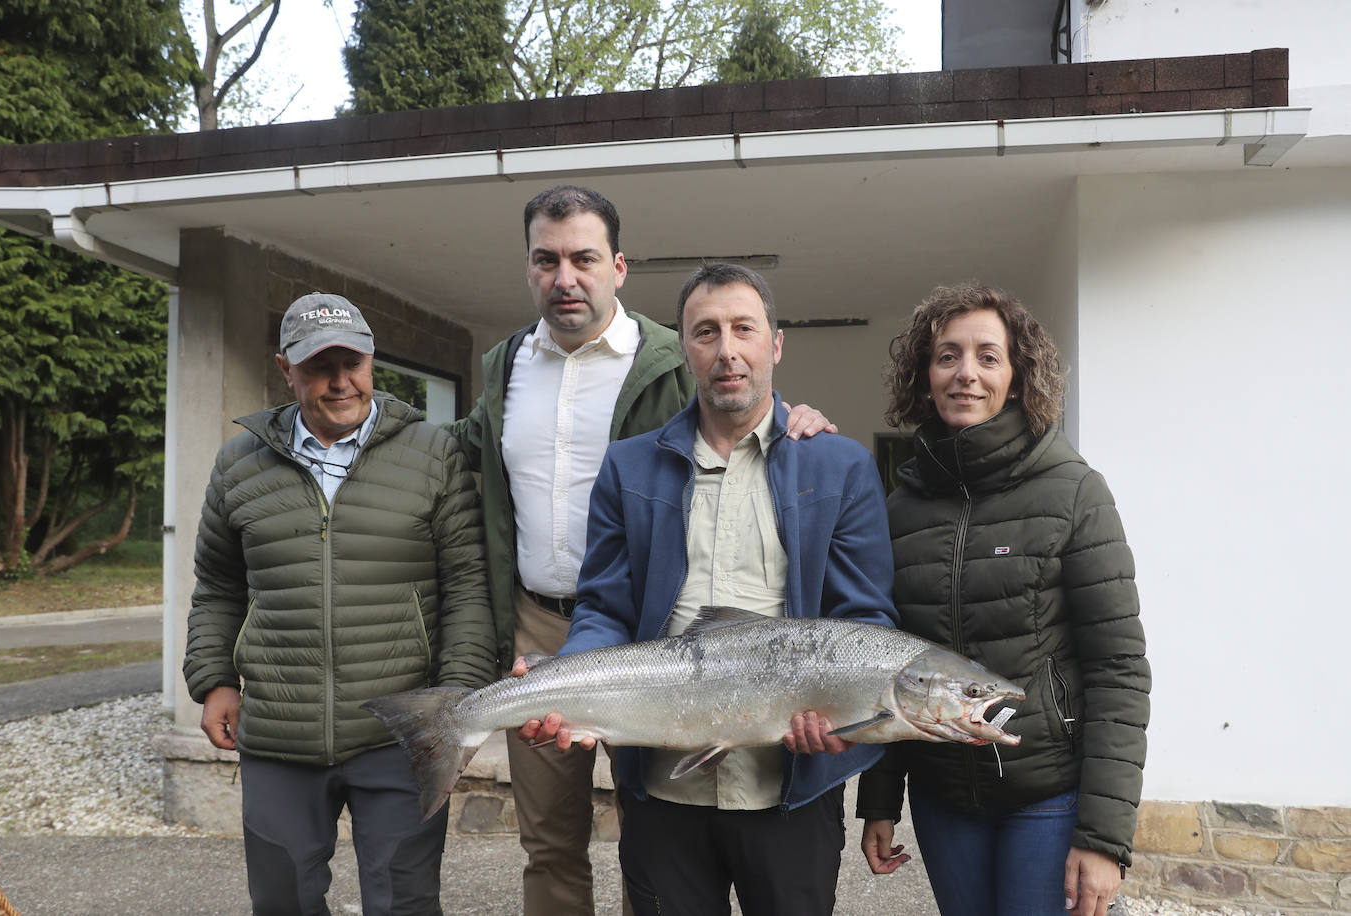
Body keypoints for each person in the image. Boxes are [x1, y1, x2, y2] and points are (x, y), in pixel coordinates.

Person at [443, 186, 833, 915]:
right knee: (550, 840)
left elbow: (734, 392)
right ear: (528, 269)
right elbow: (456, 451)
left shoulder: (666, 355)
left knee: (653, 830)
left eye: (584, 258)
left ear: (618, 266)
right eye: (546, 260)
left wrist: (795, 414)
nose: (566, 278)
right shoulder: (504, 368)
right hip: (537, 622)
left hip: (654, 637)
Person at [518, 263, 899, 915]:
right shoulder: (628, 466)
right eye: (706, 332)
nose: (727, 350)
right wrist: (570, 681)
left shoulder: (840, 466)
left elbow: (864, 620)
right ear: (683, 349)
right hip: (663, 791)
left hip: (790, 789)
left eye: (744, 329)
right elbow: (604, 606)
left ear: (774, 345)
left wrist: (843, 712)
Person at [183, 292, 496, 915]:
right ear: (285, 369)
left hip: (400, 731)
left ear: (372, 360)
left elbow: (466, 587)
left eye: (351, 362)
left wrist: (454, 705)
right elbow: (218, 585)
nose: (339, 381)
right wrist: (214, 679)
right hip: (279, 732)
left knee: (403, 902)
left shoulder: (433, 454)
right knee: (283, 902)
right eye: (318, 365)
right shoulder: (238, 464)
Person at [856, 283, 1151, 916]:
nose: (967, 373)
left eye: (988, 356)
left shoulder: (1074, 491)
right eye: (947, 356)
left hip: (1047, 794)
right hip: (942, 796)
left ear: (1017, 378)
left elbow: (1118, 668)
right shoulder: (900, 508)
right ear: (925, 376)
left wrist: (1103, 838)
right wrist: (880, 800)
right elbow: (887, 665)